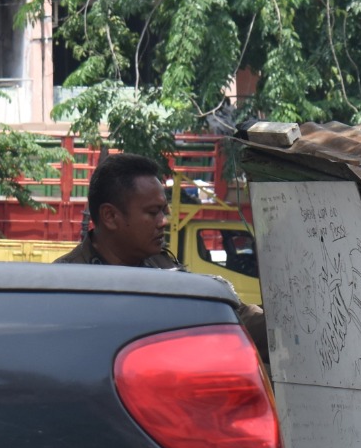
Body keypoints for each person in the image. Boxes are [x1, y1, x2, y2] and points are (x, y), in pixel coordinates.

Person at [55, 153, 269, 359]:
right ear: (110, 216)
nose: (163, 221)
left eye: (163, 212)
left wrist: (287, 324)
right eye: (152, 212)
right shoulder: (62, 286)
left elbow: (226, 316)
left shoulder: (163, 267)